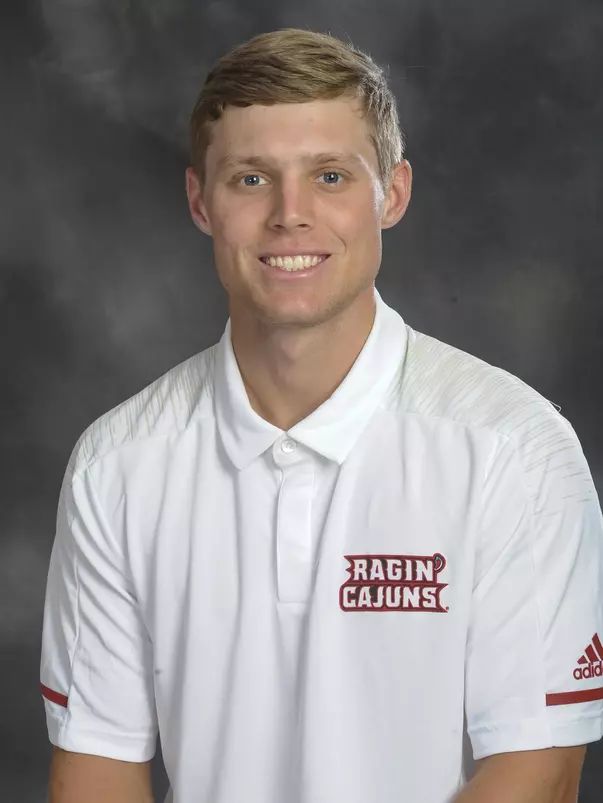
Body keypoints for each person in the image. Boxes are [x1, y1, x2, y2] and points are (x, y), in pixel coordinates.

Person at [40, 27, 602, 803]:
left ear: (392, 194)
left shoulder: (515, 451)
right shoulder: (117, 466)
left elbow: (538, 771)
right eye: (250, 179)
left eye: (331, 175)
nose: (290, 215)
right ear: (201, 201)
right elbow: (96, 767)